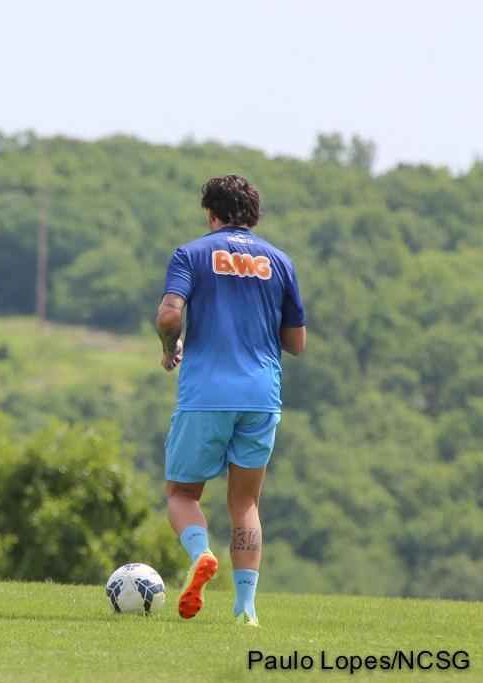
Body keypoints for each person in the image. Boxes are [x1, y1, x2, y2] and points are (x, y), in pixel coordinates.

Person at [155, 175, 306, 627]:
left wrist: (170, 347)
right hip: (261, 395)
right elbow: (296, 343)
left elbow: (169, 312)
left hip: (207, 393)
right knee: (245, 505)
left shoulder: (191, 253)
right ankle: (246, 610)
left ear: (211, 213)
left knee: (182, 493)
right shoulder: (280, 262)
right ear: (253, 215)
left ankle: (201, 554)